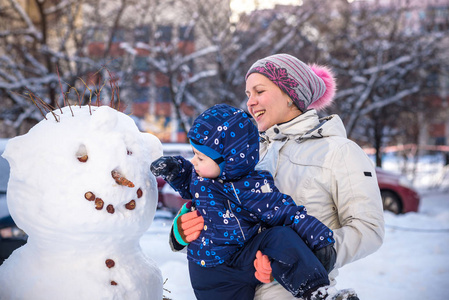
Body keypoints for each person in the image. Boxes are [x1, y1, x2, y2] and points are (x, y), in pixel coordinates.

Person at [151, 104, 337, 300]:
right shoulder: (199, 179)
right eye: (194, 155)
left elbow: (286, 212)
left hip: (242, 259)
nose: (194, 162)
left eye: (200, 157)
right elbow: (186, 176)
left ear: (227, 160)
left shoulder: (251, 187)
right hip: (208, 272)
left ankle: (317, 292)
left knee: (280, 235)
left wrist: (319, 238)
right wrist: (174, 168)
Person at [243, 53, 385, 300]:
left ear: (290, 95)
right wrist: (184, 233)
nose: (251, 102)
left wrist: (303, 255)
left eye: (259, 91)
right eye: (248, 95)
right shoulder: (249, 152)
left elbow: (368, 229)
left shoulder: (339, 151)